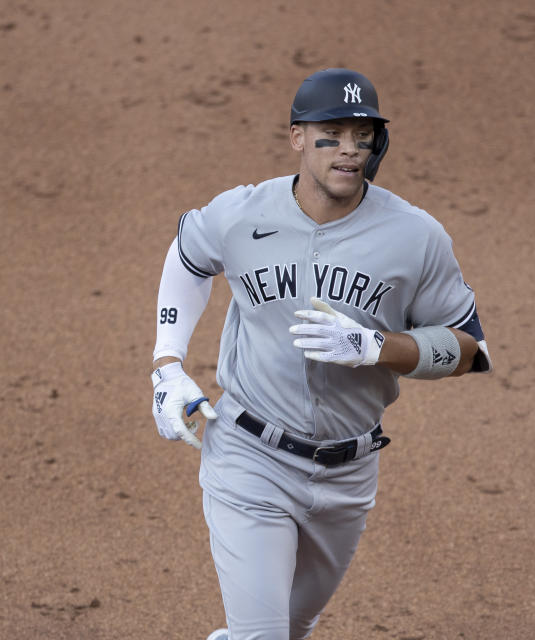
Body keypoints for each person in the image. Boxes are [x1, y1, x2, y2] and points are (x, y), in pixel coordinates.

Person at [150, 68, 491, 640]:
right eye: (332, 134)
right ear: (298, 138)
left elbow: (468, 348)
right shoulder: (242, 214)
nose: (349, 150)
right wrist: (167, 364)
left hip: (348, 473)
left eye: (363, 137)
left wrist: (378, 346)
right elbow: (189, 255)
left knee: (291, 626)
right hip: (249, 457)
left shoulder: (415, 235)